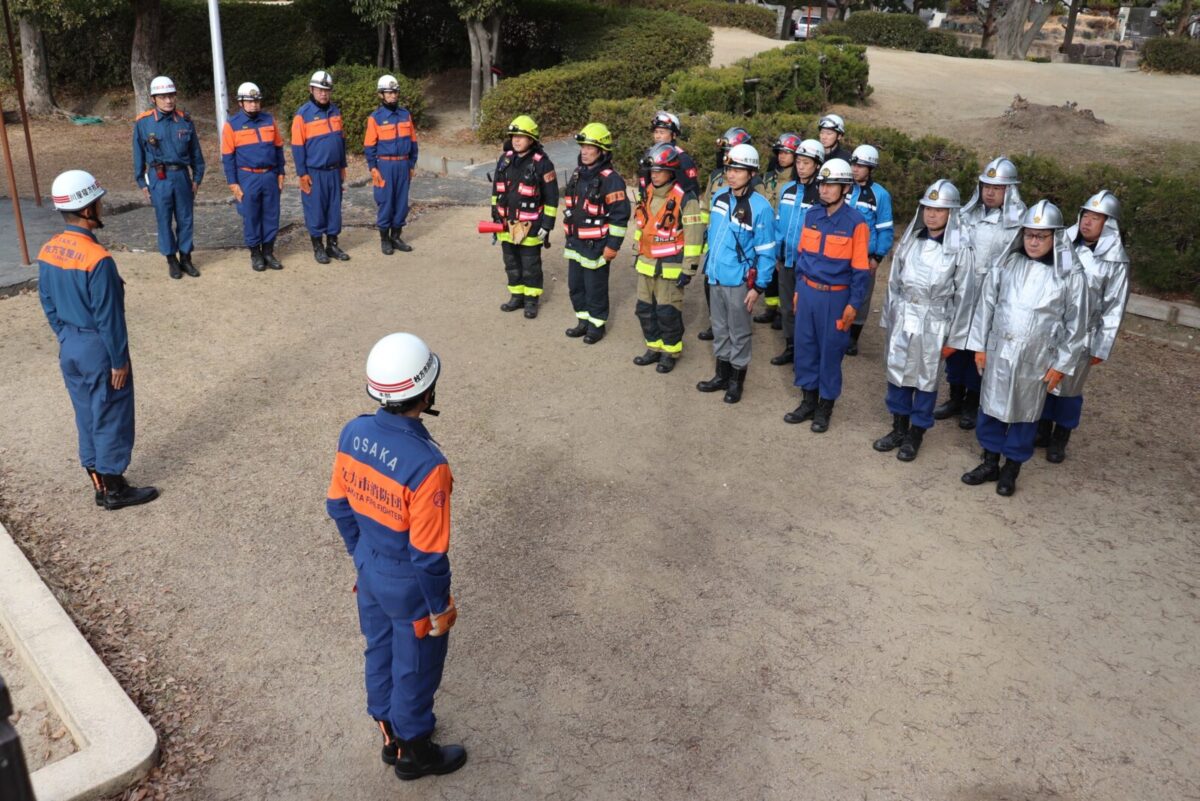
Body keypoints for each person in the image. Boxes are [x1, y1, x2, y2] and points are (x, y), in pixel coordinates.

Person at [326, 332, 467, 781]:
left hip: (370, 566)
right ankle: (414, 752)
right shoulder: (428, 465)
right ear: (427, 393)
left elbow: (338, 505)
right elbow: (427, 555)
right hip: (409, 584)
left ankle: (389, 735)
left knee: (380, 650)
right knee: (416, 666)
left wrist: (362, 558)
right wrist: (438, 606)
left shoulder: (353, 432)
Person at [37, 170, 159, 510]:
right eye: (98, 202)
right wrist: (119, 360)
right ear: (88, 209)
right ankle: (114, 490)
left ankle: (97, 482)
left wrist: (65, 336)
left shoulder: (49, 249)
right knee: (111, 413)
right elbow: (109, 317)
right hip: (98, 348)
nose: (101, 206)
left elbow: (47, 301)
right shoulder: (97, 259)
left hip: (70, 345)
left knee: (86, 414)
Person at [962, 200, 1087, 497]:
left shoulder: (1071, 275)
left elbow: (1076, 325)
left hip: (1037, 356)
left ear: (1055, 237)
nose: (1033, 242)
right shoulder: (1007, 263)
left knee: (1025, 413)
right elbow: (986, 305)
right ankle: (989, 461)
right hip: (1000, 349)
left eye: (1041, 236)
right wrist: (979, 346)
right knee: (991, 406)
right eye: (1029, 234)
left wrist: (1061, 364)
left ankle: (1011, 468)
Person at [873, 180, 974, 461]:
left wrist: (955, 338)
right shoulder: (911, 240)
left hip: (935, 321)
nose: (932, 214)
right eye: (928, 208)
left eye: (939, 210)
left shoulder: (960, 249)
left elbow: (964, 296)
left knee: (925, 379)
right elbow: (894, 282)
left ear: (951, 213)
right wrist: (890, 318)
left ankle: (915, 433)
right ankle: (898, 428)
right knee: (897, 372)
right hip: (904, 315)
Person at [1037, 189, 1130, 463]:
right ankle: (1041, 429)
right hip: (1052, 326)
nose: (1087, 222)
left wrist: (1102, 345)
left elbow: (1115, 306)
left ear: (1109, 224)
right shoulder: (1064, 245)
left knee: (1069, 388)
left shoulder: (1115, 262)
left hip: (1084, 334)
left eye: (1096, 218)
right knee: (1044, 378)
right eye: (1085, 215)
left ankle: (1060, 436)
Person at [935, 156, 1026, 428]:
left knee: (981, 346)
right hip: (962, 290)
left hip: (993, 295)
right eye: (986, 186)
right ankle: (955, 396)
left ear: (1009, 190)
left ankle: (973, 402)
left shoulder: (1018, 222)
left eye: (997, 188)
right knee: (956, 341)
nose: (990, 192)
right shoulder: (965, 215)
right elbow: (952, 248)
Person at [785, 158, 870, 433]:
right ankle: (808, 401)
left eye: (832, 185)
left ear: (845, 188)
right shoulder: (811, 216)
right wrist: (798, 290)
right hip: (808, 292)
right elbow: (802, 256)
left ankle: (825, 407)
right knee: (805, 348)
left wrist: (853, 305)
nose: (824, 189)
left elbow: (860, 270)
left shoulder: (856, 223)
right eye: (822, 184)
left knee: (830, 353)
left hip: (836, 299)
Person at [695, 143, 776, 404]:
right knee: (719, 328)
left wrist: (758, 287)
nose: (731, 174)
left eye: (738, 170)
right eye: (729, 169)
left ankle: (736, 382)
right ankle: (721, 375)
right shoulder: (720, 198)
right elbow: (713, 236)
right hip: (715, 276)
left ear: (751, 174)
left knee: (739, 331)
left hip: (739, 282)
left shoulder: (760, 207)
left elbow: (767, 252)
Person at [631, 143, 705, 373]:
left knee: (668, 312)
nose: (654, 175)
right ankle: (653, 347)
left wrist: (689, 269)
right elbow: (642, 227)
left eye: (659, 171)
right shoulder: (648, 193)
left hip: (670, 268)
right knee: (644, 309)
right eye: (652, 171)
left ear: (671, 172)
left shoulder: (686, 199)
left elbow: (694, 237)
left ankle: (670, 352)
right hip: (646, 264)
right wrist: (637, 252)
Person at [561, 122, 630, 344]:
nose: (585, 151)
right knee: (576, 287)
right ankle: (582, 321)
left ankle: (596, 326)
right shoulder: (578, 174)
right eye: (583, 147)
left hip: (597, 247)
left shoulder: (611, 180)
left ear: (602, 151)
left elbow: (620, 216)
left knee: (595, 289)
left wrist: (612, 246)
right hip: (575, 243)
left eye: (590, 147)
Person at [133, 75, 205, 279]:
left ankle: (186, 258)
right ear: (153, 99)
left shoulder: (185, 121)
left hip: (181, 176)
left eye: (171, 96)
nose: (168, 100)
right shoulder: (144, 123)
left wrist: (196, 179)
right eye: (163, 97)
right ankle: (171, 260)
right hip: (159, 177)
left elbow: (196, 154)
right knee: (164, 219)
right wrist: (142, 182)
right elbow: (138, 154)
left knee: (186, 218)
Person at [490, 115, 558, 319]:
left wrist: (547, 224)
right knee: (511, 263)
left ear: (531, 139)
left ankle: (531, 301)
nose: (516, 140)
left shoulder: (543, 164)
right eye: (514, 136)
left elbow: (552, 197)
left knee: (530, 265)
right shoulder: (505, 159)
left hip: (531, 225)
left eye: (521, 137)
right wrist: (494, 215)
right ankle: (517, 296)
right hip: (505, 223)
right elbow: (496, 191)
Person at [221, 82, 286, 272]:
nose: (254, 104)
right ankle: (255, 253)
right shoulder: (232, 125)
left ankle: (268, 252)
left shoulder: (269, 120)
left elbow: (278, 148)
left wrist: (281, 172)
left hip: (270, 175)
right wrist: (233, 183)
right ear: (241, 102)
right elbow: (227, 157)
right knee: (251, 216)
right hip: (247, 177)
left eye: (256, 101)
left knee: (271, 215)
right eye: (249, 101)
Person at [771, 137, 824, 368]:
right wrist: (777, 253)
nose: (801, 167)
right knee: (787, 309)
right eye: (799, 162)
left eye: (806, 163)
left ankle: (806, 353)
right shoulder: (787, 189)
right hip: (786, 261)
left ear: (817, 165)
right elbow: (778, 224)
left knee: (806, 310)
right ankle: (791, 347)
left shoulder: (822, 195)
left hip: (810, 264)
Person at [697, 127, 753, 341]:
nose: (727, 155)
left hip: (737, 246)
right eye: (726, 151)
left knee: (735, 291)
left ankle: (735, 327)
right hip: (715, 242)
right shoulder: (716, 176)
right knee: (710, 284)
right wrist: (704, 235)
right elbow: (706, 207)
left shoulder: (753, 182)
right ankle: (716, 324)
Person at [291, 70, 350, 265]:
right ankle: (318, 247)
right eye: (319, 90)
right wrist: (302, 173)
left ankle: (332, 245)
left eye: (326, 90)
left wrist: (343, 166)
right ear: (311, 90)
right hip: (314, 172)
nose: (323, 94)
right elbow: (297, 146)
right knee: (315, 210)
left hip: (334, 171)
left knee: (334, 209)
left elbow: (341, 141)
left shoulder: (335, 111)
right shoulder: (303, 115)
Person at [846, 144, 894, 356]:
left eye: (861, 166)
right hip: (840, 253)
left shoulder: (880, 195)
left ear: (871, 168)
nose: (855, 169)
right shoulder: (843, 186)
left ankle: (853, 338)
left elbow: (885, 229)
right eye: (854, 165)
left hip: (865, 257)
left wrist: (877, 257)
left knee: (861, 295)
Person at [752, 132, 801, 331]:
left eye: (787, 153)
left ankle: (782, 311)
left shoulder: (796, 181)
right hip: (767, 231)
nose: (782, 156)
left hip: (784, 233)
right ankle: (770, 308)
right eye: (780, 152)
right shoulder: (768, 176)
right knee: (769, 271)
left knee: (783, 275)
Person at [366, 75, 419, 255]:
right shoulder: (376, 118)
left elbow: (413, 142)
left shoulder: (405, 115)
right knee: (386, 202)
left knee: (401, 203)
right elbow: (369, 146)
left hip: (403, 164)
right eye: (389, 92)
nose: (393, 95)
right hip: (385, 166)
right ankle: (385, 239)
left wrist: (411, 164)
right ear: (381, 94)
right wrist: (373, 168)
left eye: (395, 92)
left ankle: (396, 237)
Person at [638, 110, 699, 197]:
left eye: (662, 132)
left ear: (673, 135)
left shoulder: (683, 159)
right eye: (656, 132)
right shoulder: (649, 155)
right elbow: (643, 186)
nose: (657, 136)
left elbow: (692, 193)